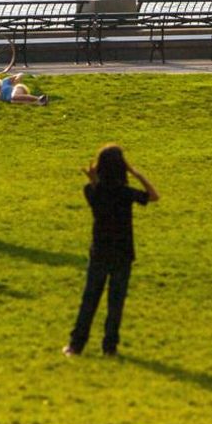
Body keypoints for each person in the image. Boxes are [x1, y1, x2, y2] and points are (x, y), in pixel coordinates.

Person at [63, 145, 159, 357]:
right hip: (123, 253)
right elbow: (153, 196)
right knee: (115, 304)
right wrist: (137, 174)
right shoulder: (125, 193)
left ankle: (76, 344)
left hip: (100, 252)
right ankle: (110, 347)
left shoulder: (91, 190)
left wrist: (92, 178)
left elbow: (98, 195)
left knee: (90, 300)